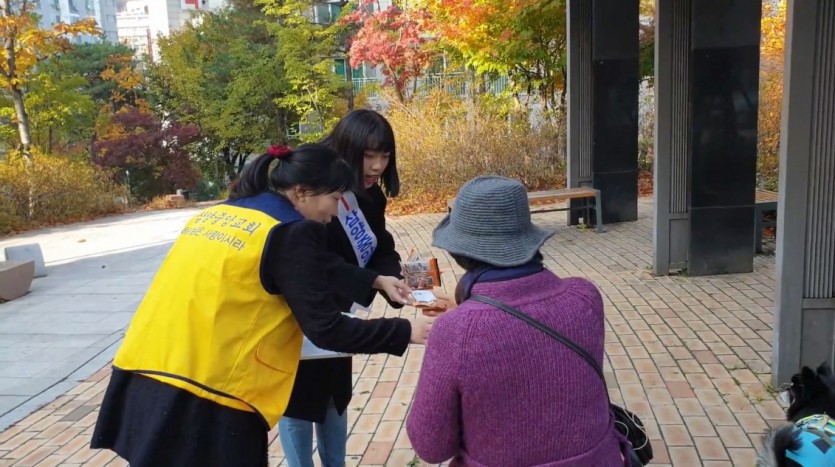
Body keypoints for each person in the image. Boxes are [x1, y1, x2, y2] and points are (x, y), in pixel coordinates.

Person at [90, 144, 432, 467]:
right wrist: (405, 331)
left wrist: (374, 280)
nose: (336, 210)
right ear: (301, 191)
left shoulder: (225, 213)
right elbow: (327, 328)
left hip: (144, 376)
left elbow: (305, 267)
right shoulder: (292, 233)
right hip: (210, 397)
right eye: (334, 197)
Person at [406, 176, 632, 466]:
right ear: (526, 238)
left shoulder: (456, 332)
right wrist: (466, 308)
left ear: (459, 252)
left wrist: (460, 322)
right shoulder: (585, 298)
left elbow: (431, 446)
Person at [279, 109, 404, 467]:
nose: (378, 166)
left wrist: (390, 277)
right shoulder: (312, 194)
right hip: (302, 314)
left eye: (385, 155)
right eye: (369, 155)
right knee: (298, 404)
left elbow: (380, 244)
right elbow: (314, 260)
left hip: (341, 313)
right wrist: (373, 280)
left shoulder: (371, 197)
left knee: (335, 397)